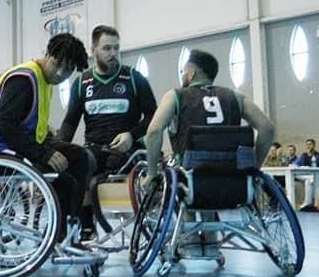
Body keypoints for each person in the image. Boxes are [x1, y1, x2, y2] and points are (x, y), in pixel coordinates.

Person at [0, 33, 92, 244]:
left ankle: (68, 232)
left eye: (68, 69)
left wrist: (49, 146)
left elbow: (32, 129)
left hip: (14, 146)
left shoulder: (44, 81)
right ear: (47, 54)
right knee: (67, 177)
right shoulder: (24, 80)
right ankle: (61, 234)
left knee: (80, 156)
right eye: (57, 64)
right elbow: (2, 125)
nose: (61, 73)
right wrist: (44, 153)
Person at [56, 25, 157, 242]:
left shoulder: (134, 78)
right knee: (78, 163)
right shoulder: (82, 84)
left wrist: (131, 135)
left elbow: (153, 117)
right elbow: (70, 123)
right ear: (93, 50)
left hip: (130, 150)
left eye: (116, 48)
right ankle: (86, 228)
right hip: (96, 149)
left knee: (140, 170)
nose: (113, 53)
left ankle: (150, 227)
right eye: (107, 48)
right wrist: (56, 151)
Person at [143, 49, 275, 180]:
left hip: (190, 175)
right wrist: (255, 166)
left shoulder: (175, 96)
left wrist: (152, 174)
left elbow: (154, 131)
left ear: (191, 73)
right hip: (233, 175)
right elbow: (267, 128)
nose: (183, 76)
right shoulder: (236, 96)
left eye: (183, 72)